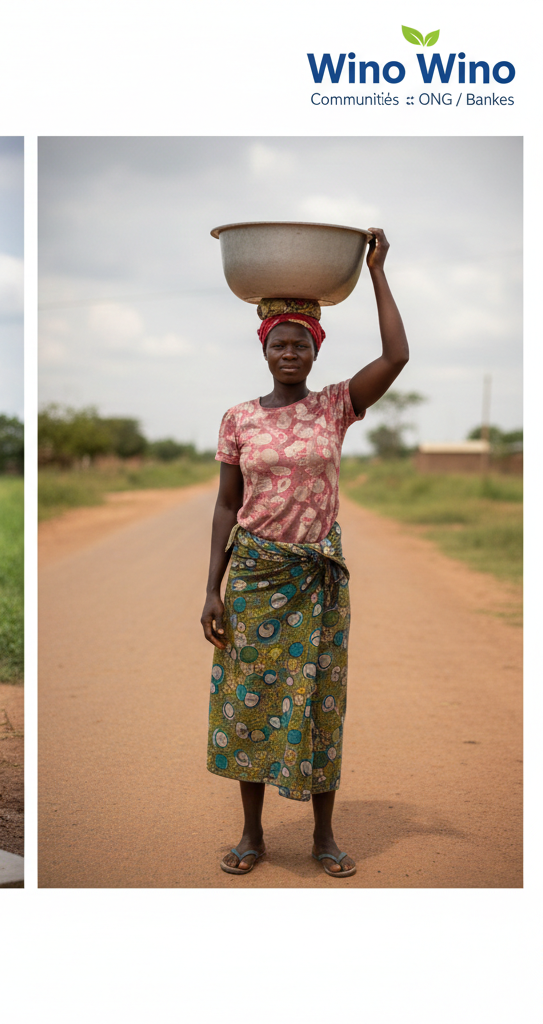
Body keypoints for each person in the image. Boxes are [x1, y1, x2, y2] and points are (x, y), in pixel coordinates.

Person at [200, 228, 407, 878]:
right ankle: (253, 835)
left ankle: (323, 836)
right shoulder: (239, 419)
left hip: (317, 578)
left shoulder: (336, 407)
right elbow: (227, 506)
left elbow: (397, 356)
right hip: (256, 575)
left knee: (319, 700)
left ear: (316, 352)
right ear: (265, 351)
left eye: (300, 345)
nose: (289, 352)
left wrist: (375, 271)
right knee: (250, 702)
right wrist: (212, 587)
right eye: (279, 344)